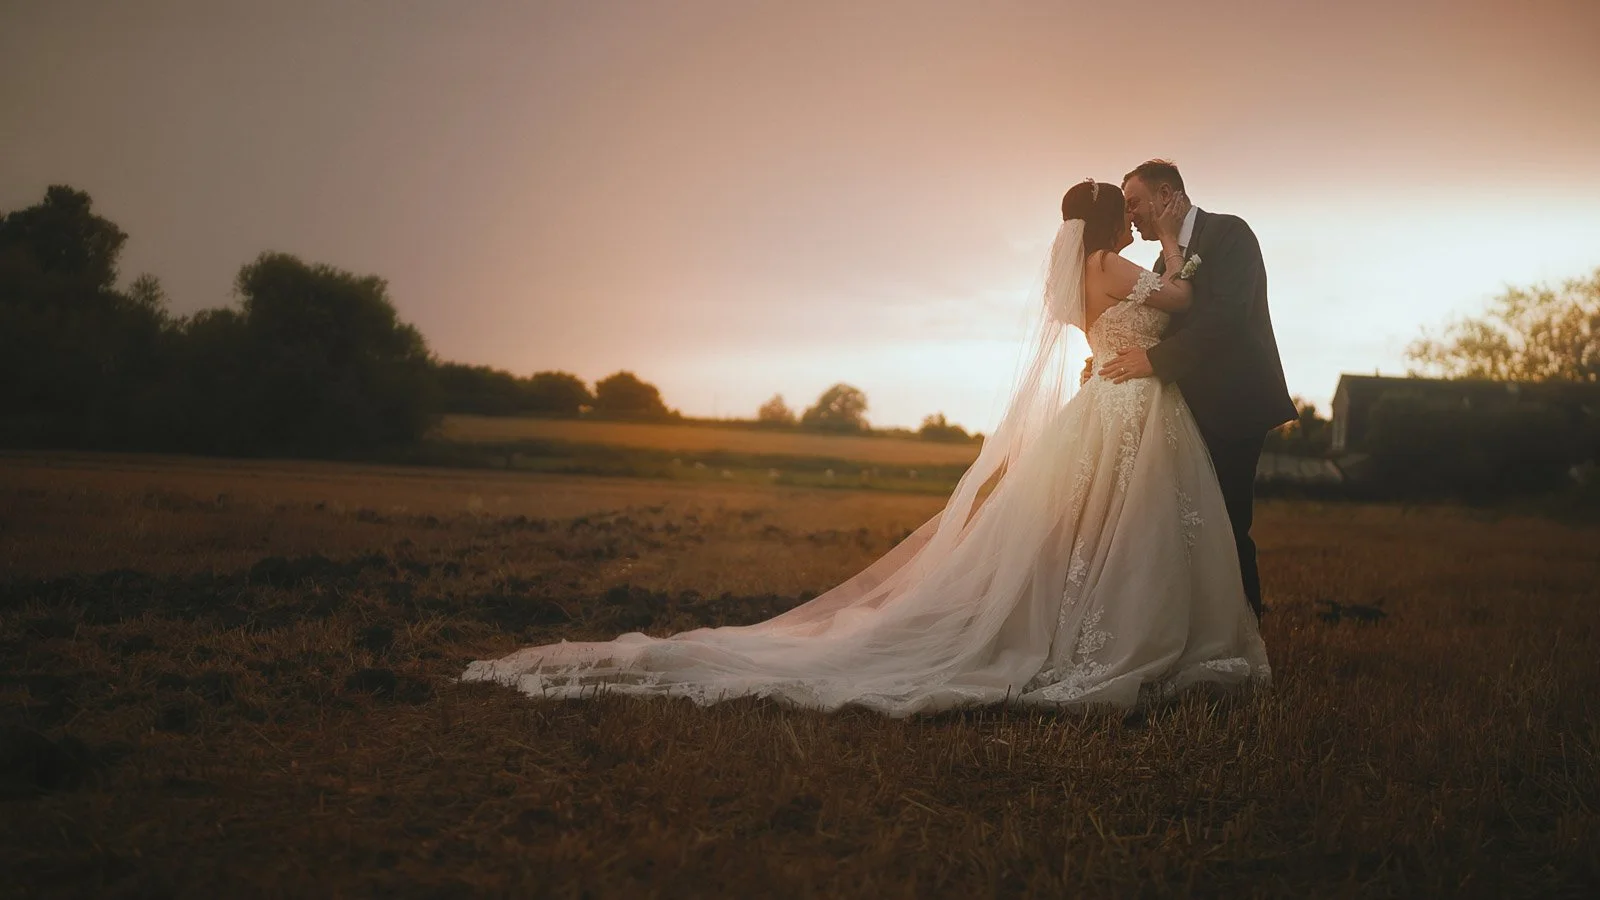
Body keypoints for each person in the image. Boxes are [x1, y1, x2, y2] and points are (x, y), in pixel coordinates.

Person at [462, 178, 1270, 716]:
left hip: (1106, 395)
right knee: (1130, 533)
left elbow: (1089, 327)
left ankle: (1090, 630)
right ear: (1105, 221)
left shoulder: (1076, 278)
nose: (1134, 217)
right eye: (1123, 210)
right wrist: (1170, 243)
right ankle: (1129, 642)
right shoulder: (1119, 267)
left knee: (1091, 535)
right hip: (1131, 406)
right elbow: (1188, 296)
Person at [1099, 160, 1297, 619]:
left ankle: (1246, 632)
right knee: (1184, 525)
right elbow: (1155, 328)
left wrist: (1153, 360)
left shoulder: (1230, 234)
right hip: (1181, 407)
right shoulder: (1158, 260)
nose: (1129, 215)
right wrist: (1110, 357)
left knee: (1227, 524)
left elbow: (1227, 317)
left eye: (1135, 203)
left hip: (1234, 403)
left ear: (1166, 195)